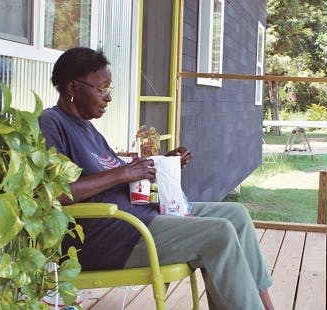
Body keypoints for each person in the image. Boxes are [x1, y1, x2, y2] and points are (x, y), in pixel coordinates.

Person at [39, 47, 274, 310]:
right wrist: (122, 174)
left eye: (109, 89)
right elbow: (53, 194)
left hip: (136, 219)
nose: (108, 98)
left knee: (237, 216)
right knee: (219, 234)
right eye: (102, 89)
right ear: (72, 87)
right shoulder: (51, 123)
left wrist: (162, 164)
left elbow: (117, 175)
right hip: (106, 237)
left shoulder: (89, 130)